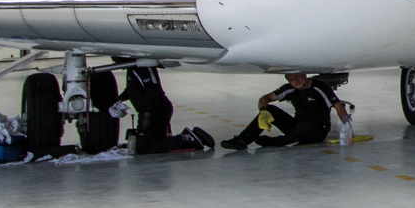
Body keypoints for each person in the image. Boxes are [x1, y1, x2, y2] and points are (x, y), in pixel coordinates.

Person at [220, 73, 348, 150]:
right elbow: (265, 98)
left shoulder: (319, 87)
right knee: (270, 110)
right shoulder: (290, 89)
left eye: (297, 77)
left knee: (305, 127)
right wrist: (263, 111)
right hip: (298, 126)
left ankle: (276, 141)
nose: (295, 81)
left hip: (317, 130)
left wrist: (347, 128)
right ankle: (242, 140)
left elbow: (338, 106)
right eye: (291, 79)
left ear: (304, 75)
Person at [123, 65, 214, 154]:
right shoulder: (132, 68)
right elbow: (133, 88)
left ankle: (186, 139)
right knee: (154, 141)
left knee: (144, 147)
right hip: (151, 110)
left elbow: (153, 89)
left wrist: (147, 114)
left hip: (154, 110)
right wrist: (118, 100)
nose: (114, 60)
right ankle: (189, 138)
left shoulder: (141, 67)